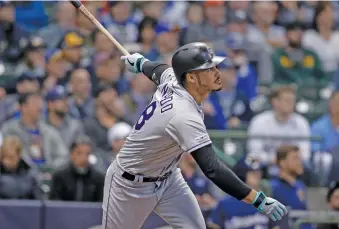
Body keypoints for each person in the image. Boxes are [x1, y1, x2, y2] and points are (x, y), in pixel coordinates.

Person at [101, 42, 288, 229]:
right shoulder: (183, 115)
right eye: (208, 69)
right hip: (129, 184)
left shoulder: (174, 79)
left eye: (215, 66)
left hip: (168, 179)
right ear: (191, 77)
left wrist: (141, 63)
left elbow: (160, 69)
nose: (216, 72)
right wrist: (257, 198)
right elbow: (212, 168)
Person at [49, 135, 105, 202]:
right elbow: (54, 203)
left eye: (87, 154)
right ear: (71, 155)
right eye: (79, 153)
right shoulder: (60, 176)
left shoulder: (99, 178)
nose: (83, 158)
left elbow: (101, 204)